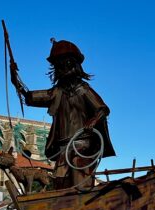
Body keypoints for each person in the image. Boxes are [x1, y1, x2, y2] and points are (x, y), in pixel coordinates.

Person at [11, 39, 116, 189]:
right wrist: (15, 79)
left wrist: (93, 120)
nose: (63, 68)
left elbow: (103, 109)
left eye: (66, 63)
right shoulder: (56, 92)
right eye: (59, 65)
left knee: (80, 178)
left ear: (74, 65)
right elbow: (29, 97)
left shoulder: (83, 89)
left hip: (83, 143)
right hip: (63, 147)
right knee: (60, 181)